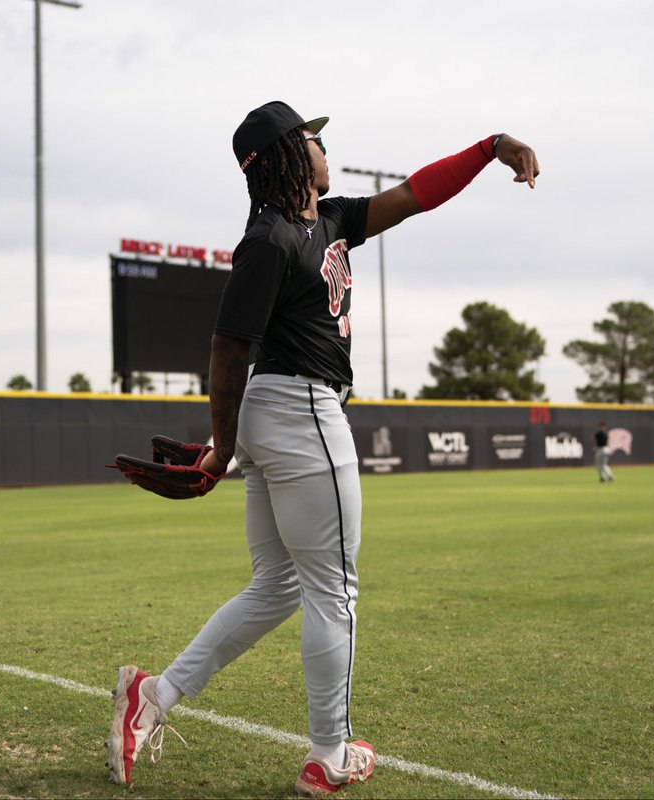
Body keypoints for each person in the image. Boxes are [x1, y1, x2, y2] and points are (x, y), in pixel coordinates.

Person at [106, 101, 539, 795]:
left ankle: (154, 696)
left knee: (278, 586)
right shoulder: (271, 239)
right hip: (300, 409)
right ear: (284, 154)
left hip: (282, 413)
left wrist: (488, 148)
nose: (323, 146)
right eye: (312, 138)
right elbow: (226, 351)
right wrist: (222, 446)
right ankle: (331, 755)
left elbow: (414, 194)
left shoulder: (328, 220)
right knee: (334, 590)